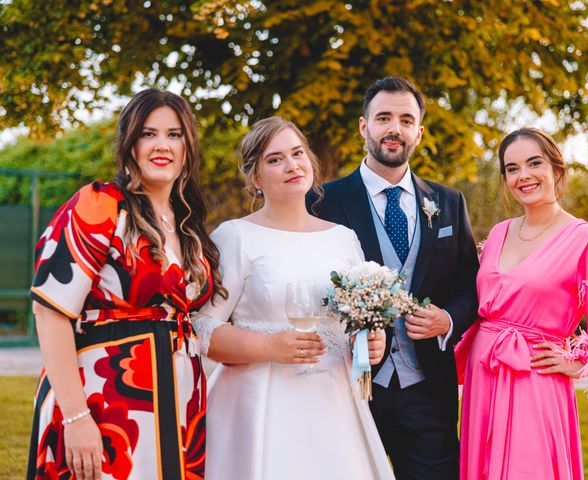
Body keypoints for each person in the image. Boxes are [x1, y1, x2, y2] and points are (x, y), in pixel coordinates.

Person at [26, 89, 224, 480]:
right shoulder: (99, 206)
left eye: (174, 134)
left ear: (188, 146)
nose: (162, 145)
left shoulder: (188, 224)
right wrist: (76, 416)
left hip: (181, 403)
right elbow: (49, 312)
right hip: (104, 401)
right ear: (129, 143)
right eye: (148, 134)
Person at [191, 116, 395, 480]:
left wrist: (368, 341)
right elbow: (202, 327)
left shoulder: (342, 239)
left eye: (297, 153)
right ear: (255, 177)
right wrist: (269, 347)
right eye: (275, 159)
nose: (292, 165)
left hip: (334, 405)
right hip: (262, 406)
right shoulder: (237, 237)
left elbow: (355, 324)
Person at [309, 76, 480, 479]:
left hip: (427, 390)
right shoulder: (321, 201)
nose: (394, 129)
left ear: (418, 132)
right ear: (363, 126)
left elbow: (468, 282)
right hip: (348, 388)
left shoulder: (449, 202)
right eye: (384, 117)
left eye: (406, 120)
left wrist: (448, 320)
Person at [456, 127, 588, 479]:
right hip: (484, 380)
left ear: (557, 169)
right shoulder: (498, 233)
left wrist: (583, 361)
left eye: (534, 163)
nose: (523, 175)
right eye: (512, 168)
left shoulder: (584, 239)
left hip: (535, 378)